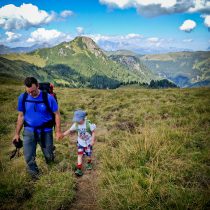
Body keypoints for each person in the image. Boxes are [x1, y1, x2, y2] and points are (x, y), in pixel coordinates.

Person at [13, 77, 63, 179]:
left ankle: (52, 172)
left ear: (38, 86)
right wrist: (17, 134)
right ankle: (35, 177)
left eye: (33, 91)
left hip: (46, 132)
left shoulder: (48, 97)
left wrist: (58, 131)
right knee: (28, 157)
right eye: (29, 92)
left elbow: (57, 114)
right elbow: (21, 116)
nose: (31, 94)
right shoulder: (23, 98)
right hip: (29, 132)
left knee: (48, 155)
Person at [63, 110, 96, 176]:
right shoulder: (76, 124)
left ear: (83, 118)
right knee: (79, 155)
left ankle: (89, 163)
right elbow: (69, 130)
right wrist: (63, 135)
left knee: (88, 155)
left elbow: (93, 132)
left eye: (78, 120)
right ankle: (79, 169)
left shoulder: (89, 124)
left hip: (88, 143)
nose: (77, 121)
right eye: (76, 120)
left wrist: (92, 140)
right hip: (80, 143)